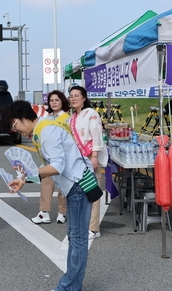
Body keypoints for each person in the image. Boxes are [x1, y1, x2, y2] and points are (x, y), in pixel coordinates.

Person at [4, 100, 92, 291]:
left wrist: (28, 175)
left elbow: (57, 167)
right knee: (75, 237)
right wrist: (25, 178)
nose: (15, 129)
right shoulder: (43, 128)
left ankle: (69, 287)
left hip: (77, 184)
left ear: (24, 117)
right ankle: (73, 284)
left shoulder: (47, 131)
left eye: (14, 124)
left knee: (77, 239)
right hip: (76, 183)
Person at [68, 85, 107, 240]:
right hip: (79, 159)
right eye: (71, 96)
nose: (73, 98)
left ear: (84, 98)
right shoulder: (72, 118)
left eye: (77, 95)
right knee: (83, 191)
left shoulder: (91, 114)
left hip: (90, 155)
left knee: (93, 190)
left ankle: (94, 228)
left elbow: (96, 134)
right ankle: (87, 224)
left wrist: (95, 156)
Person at [31, 90, 69, 225]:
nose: (54, 103)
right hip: (47, 158)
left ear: (62, 101)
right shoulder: (46, 119)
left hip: (63, 157)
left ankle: (62, 212)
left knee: (62, 186)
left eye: (57, 100)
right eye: (51, 100)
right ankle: (44, 212)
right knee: (46, 182)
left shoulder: (67, 118)